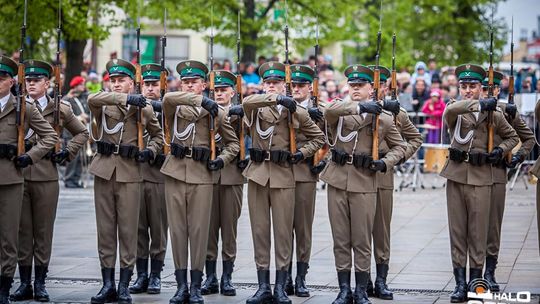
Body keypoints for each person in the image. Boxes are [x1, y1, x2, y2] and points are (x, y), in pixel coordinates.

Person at [321, 64, 405, 304]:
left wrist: (385, 162)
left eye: (361, 86)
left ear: (372, 88)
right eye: (352, 85)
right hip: (337, 179)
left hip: (365, 180)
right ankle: (344, 289)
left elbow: (400, 146)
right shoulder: (340, 109)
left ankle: (360, 290)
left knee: (361, 239)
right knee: (340, 238)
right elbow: (329, 109)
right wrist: (359, 106)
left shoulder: (385, 119)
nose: (355, 89)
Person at [241, 61, 324, 304]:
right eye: (267, 83)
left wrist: (302, 153)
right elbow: (246, 102)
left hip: (284, 175)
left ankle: (281, 285)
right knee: (260, 231)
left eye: (275, 83)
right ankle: (263, 286)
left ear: (283, 85)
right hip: (257, 174)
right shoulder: (256, 107)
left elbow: (318, 137)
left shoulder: (295, 111)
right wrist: (276, 99)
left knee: (283, 233)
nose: (270, 86)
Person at [161, 60, 240, 304]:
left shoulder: (216, 112)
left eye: (194, 82)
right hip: (175, 172)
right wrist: (200, 100)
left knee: (198, 232)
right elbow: (167, 100)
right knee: (177, 231)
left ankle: (196, 285)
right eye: (185, 81)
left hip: (203, 175)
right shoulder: (175, 107)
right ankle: (181, 285)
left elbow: (234, 144)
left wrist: (222, 160)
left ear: (204, 84)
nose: (189, 85)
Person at [10, 60, 89, 303]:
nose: (31, 84)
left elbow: (83, 133)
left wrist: (67, 151)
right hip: (19, 173)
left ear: (47, 83)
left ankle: (41, 282)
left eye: (36, 80)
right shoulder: (16, 106)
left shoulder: (60, 109)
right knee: (23, 231)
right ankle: (24, 283)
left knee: (43, 231)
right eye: (28, 80)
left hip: (46, 174)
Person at [439, 64, 519, 303]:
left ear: (481, 88)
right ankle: (459, 283)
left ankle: (476, 280)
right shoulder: (454, 109)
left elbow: (513, 136)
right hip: (456, 174)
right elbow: (448, 113)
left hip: (482, 176)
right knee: (457, 231)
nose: (467, 90)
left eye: (473, 86)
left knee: (478, 231)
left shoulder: (493, 114)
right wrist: (480, 104)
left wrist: (501, 150)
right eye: (463, 86)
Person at [87, 58, 163, 304]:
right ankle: (107, 283)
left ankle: (123, 285)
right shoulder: (105, 102)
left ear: (133, 82)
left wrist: (150, 151)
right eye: (113, 80)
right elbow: (92, 99)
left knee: (129, 231)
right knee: (105, 231)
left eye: (122, 81)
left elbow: (158, 136)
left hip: (130, 173)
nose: (117, 84)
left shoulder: (145, 108)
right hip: (105, 170)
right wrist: (125, 99)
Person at [0, 55, 58, 304]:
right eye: (30, 80)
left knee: (20, 236)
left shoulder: (26, 107)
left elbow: (51, 136)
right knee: (18, 235)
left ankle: (19, 285)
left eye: (2, 78)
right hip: (15, 177)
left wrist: (29, 156)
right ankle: (20, 283)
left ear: (11, 81)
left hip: (19, 176)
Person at [368, 65, 422, 300]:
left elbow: (415, 138)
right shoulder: (354, 108)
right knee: (357, 233)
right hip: (355, 174)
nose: (375, 89)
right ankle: (361, 281)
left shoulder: (396, 112)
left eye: (380, 85)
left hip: (382, 175)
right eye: (373, 84)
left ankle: (381, 280)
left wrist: (395, 158)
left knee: (381, 231)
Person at [481, 70, 535, 292]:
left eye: (491, 88)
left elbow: (529, 138)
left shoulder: (506, 110)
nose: (487, 92)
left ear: (498, 90)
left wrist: (517, 157)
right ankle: (470, 274)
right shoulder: (467, 109)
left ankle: (489, 272)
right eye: (484, 88)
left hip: (495, 174)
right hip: (471, 173)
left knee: (492, 226)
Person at [199, 70, 247, 297]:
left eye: (223, 90)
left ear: (233, 92)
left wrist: (243, 112)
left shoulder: (241, 113)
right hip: (208, 176)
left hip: (232, 177)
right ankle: (210, 277)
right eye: (215, 90)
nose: (219, 94)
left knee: (229, 229)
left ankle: (227, 277)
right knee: (209, 229)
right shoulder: (204, 111)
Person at [281, 64, 327, 298]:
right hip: (282, 173)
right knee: (283, 228)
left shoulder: (323, 109)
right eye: (294, 85)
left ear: (310, 87)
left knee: (303, 228)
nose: (297, 89)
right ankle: (284, 276)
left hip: (305, 173)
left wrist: (324, 161)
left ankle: (301, 277)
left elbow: (334, 139)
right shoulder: (283, 107)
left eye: (301, 85)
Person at [128, 64, 169, 295]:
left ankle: (155, 274)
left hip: (160, 174)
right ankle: (141, 274)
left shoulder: (169, 109)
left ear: (162, 86)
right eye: (146, 84)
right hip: (136, 173)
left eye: (154, 84)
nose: (150, 88)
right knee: (138, 228)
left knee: (159, 228)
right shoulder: (134, 108)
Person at [62, 75, 91, 188]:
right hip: (70, 133)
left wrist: (86, 116)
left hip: (82, 132)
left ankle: (76, 179)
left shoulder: (82, 98)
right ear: (75, 86)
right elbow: (64, 115)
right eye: (81, 84)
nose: (83, 86)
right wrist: (79, 117)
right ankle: (69, 179)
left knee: (80, 157)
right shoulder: (67, 99)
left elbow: (88, 111)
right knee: (72, 158)